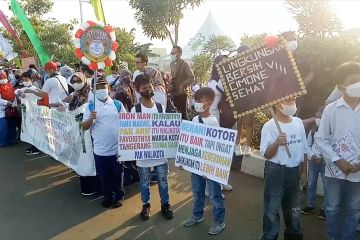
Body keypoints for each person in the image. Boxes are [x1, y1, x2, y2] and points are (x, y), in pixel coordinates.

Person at [315, 62, 360, 240]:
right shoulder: (331, 110)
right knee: (332, 207)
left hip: (358, 171)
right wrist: (337, 159)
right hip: (335, 170)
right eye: (354, 81)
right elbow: (321, 139)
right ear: (342, 87)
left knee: (354, 208)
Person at [260, 98, 307, 240]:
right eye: (287, 100)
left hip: (294, 171)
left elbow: (304, 149)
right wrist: (277, 143)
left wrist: (304, 171)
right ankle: (269, 236)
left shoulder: (298, 122)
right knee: (271, 210)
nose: (292, 102)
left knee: (293, 209)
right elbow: (266, 154)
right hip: (276, 171)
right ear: (276, 103)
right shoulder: (269, 126)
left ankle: (294, 235)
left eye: (293, 99)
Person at [130, 74, 173, 221]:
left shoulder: (160, 108)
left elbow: (167, 130)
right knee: (144, 182)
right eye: (144, 88)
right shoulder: (135, 110)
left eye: (149, 87)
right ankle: (146, 205)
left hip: (160, 155)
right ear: (137, 90)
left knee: (163, 181)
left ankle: (165, 205)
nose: (148, 90)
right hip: (143, 157)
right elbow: (130, 134)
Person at [183, 87, 226, 235]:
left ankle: (219, 221)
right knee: (197, 192)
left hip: (209, 166)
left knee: (215, 195)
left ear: (208, 102)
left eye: (199, 100)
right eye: (195, 100)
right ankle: (197, 215)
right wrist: (185, 160)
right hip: (196, 165)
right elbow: (191, 142)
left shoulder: (213, 122)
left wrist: (210, 167)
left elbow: (217, 148)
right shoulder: (195, 119)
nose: (196, 103)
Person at [82, 79, 125, 208]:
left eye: (104, 86)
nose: (101, 89)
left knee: (118, 174)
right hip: (100, 151)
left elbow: (127, 123)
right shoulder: (90, 106)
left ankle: (119, 196)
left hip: (117, 149)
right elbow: (84, 127)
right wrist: (91, 118)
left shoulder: (117, 104)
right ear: (94, 90)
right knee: (104, 176)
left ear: (108, 88)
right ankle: (107, 196)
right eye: (98, 87)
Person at [301, 107, 327, 220]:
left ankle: (324, 209)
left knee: (327, 186)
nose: (318, 119)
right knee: (311, 184)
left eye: (320, 117)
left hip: (325, 162)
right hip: (313, 161)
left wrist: (324, 158)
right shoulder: (312, 131)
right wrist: (312, 156)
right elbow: (308, 145)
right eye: (316, 117)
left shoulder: (330, 131)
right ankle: (310, 205)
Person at [15, 72, 41, 155]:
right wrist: (19, 93)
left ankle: (36, 148)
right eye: (23, 80)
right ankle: (32, 146)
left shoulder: (34, 89)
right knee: (29, 130)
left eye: (26, 80)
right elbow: (16, 91)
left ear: (31, 80)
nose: (24, 81)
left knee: (34, 130)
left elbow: (41, 96)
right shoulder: (23, 89)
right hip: (26, 113)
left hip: (33, 112)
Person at [170, 46, 195, 119]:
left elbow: (192, 77)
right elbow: (173, 77)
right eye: (171, 53)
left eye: (173, 53)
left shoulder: (185, 64)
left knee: (182, 115)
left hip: (181, 94)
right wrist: (170, 84)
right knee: (174, 115)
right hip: (173, 93)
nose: (172, 54)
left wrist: (183, 85)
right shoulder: (171, 64)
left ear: (180, 54)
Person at [0, 71, 16, 148]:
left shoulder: (9, 86)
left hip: (12, 108)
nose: (3, 79)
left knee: (12, 125)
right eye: (1, 78)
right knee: (3, 127)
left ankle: (12, 140)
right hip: (3, 110)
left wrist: (13, 103)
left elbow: (14, 95)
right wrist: (7, 102)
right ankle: (3, 142)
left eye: (4, 78)